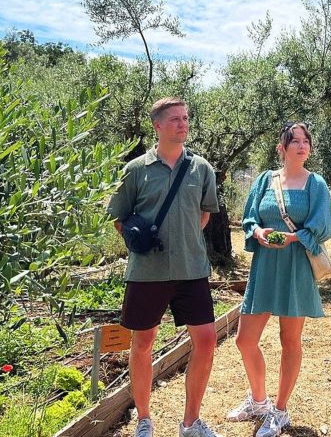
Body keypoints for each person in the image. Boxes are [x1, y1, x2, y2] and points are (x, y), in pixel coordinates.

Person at [108, 97, 220, 437]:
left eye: (185, 118)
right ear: (157, 125)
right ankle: (144, 419)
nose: (183, 124)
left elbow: (204, 215)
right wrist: (141, 237)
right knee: (143, 343)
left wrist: (182, 241)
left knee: (206, 340)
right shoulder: (135, 170)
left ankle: (191, 423)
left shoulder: (201, 168)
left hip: (191, 269)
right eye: (175, 119)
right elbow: (119, 217)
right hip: (147, 272)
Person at [228, 121, 331, 437]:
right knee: (245, 340)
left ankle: (280, 411)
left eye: (305, 141)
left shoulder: (316, 184)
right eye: (294, 141)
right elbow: (249, 218)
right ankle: (259, 401)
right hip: (265, 266)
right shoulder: (264, 180)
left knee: (290, 341)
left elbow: (322, 226)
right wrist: (258, 232)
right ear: (281, 148)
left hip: (296, 266)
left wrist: (292, 238)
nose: (301, 146)